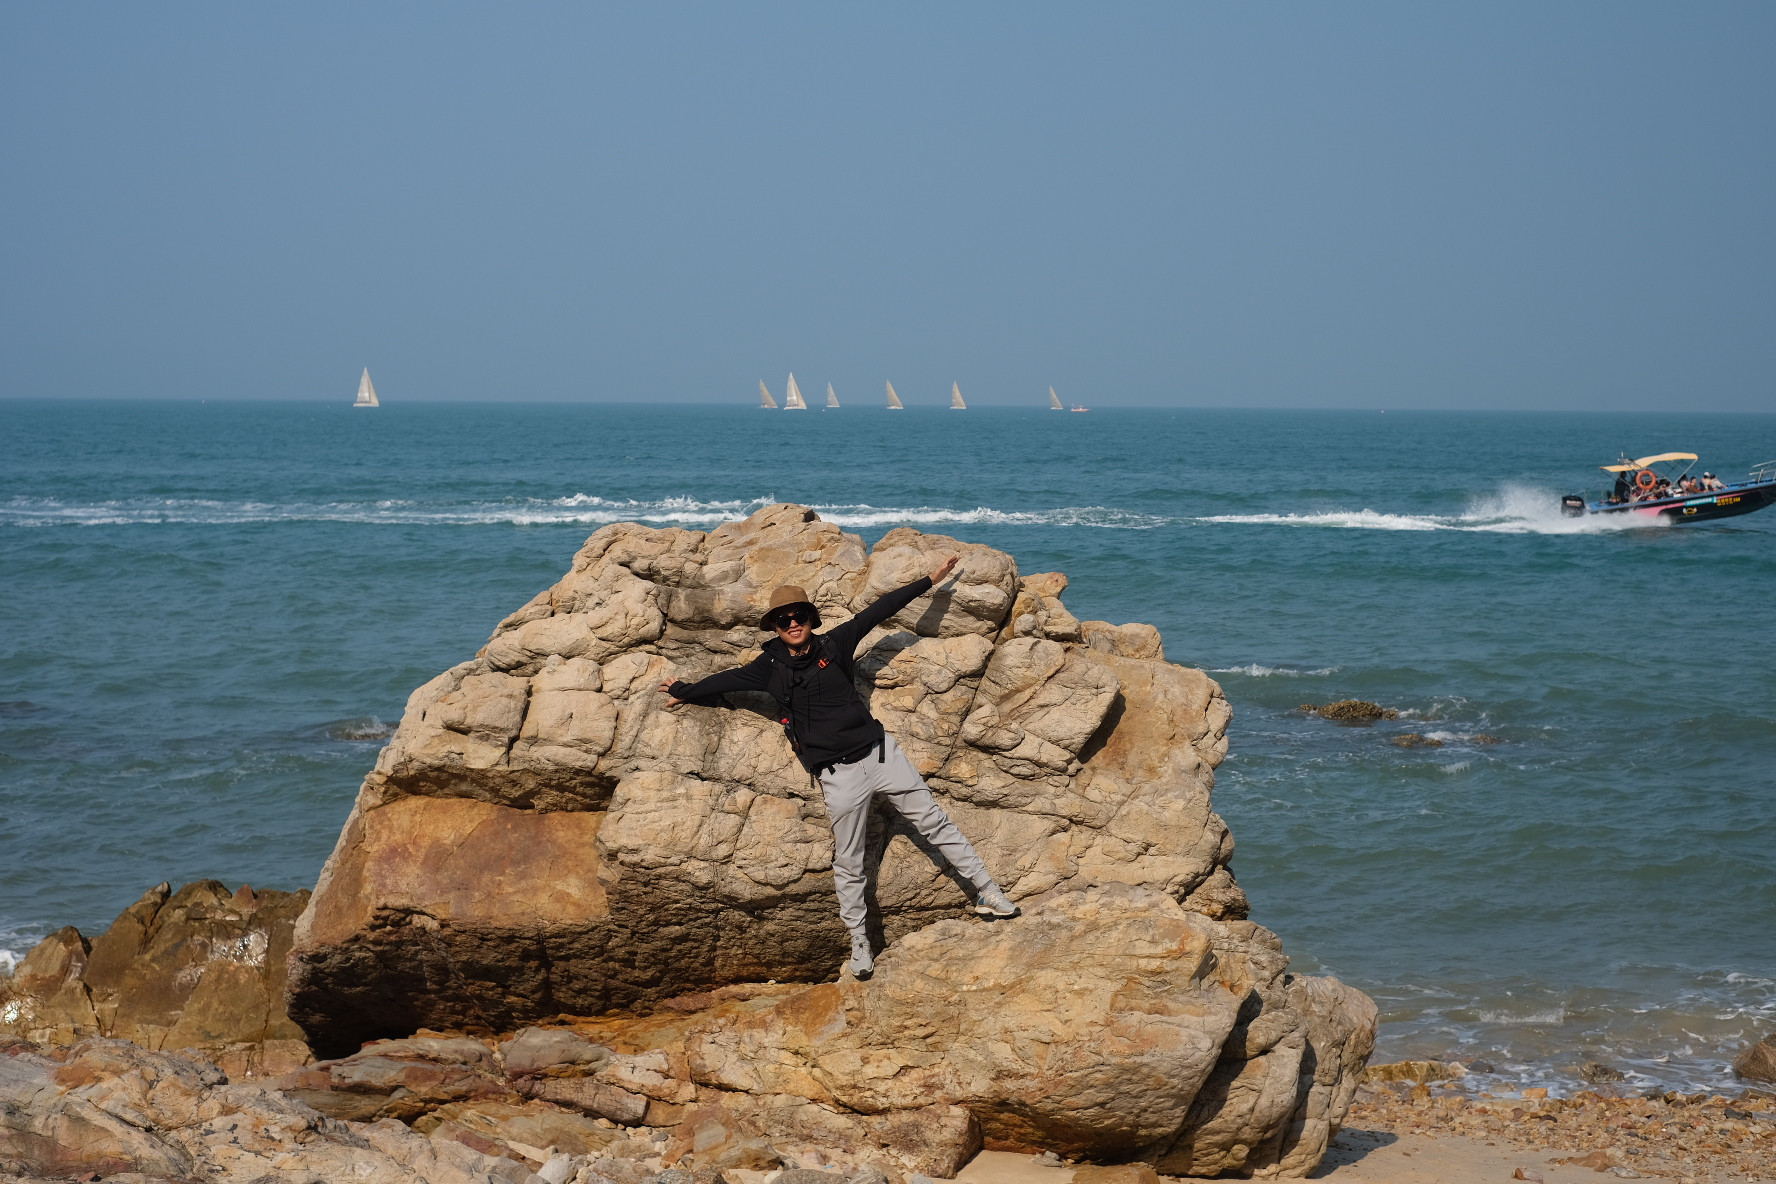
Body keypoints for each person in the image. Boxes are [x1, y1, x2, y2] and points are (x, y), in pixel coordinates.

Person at [658, 556, 1018, 980]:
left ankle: (988, 891)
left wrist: (929, 580)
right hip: (838, 776)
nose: (793, 623)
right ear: (775, 627)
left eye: (799, 616)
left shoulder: (835, 644)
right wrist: (685, 690)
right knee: (849, 860)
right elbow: (726, 680)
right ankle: (859, 942)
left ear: (810, 618)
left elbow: (879, 611)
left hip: (882, 756)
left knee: (936, 823)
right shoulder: (768, 668)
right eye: (784, 620)